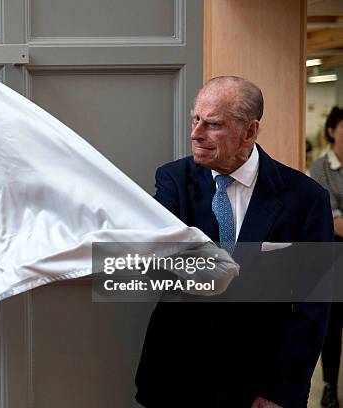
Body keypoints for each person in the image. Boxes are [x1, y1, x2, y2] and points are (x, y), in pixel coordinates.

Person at [135, 76, 334, 408]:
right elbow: (160, 261)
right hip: (176, 377)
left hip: (260, 383)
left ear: (250, 131)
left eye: (212, 124)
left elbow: (315, 304)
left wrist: (281, 391)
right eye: (195, 119)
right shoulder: (172, 180)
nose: (195, 134)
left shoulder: (306, 198)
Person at [309, 106, 343, 408]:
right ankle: (330, 386)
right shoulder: (320, 169)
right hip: (334, 257)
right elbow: (334, 221)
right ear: (332, 131)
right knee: (333, 325)